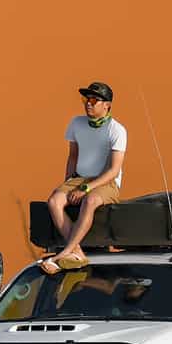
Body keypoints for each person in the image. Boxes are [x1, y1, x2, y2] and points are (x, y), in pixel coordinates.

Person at [40, 80, 128, 273]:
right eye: (86, 99)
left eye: (94, 100)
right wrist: (68, 182)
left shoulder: (117, 130)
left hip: (106, 181)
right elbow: (73, 156)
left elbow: (113, 170)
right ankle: (77, 251)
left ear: (107, 105)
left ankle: (64, 253)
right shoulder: (76, 123)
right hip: (80, 178)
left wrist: (85, 188)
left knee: (90, 201)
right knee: (54, 201)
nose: (88, 103)